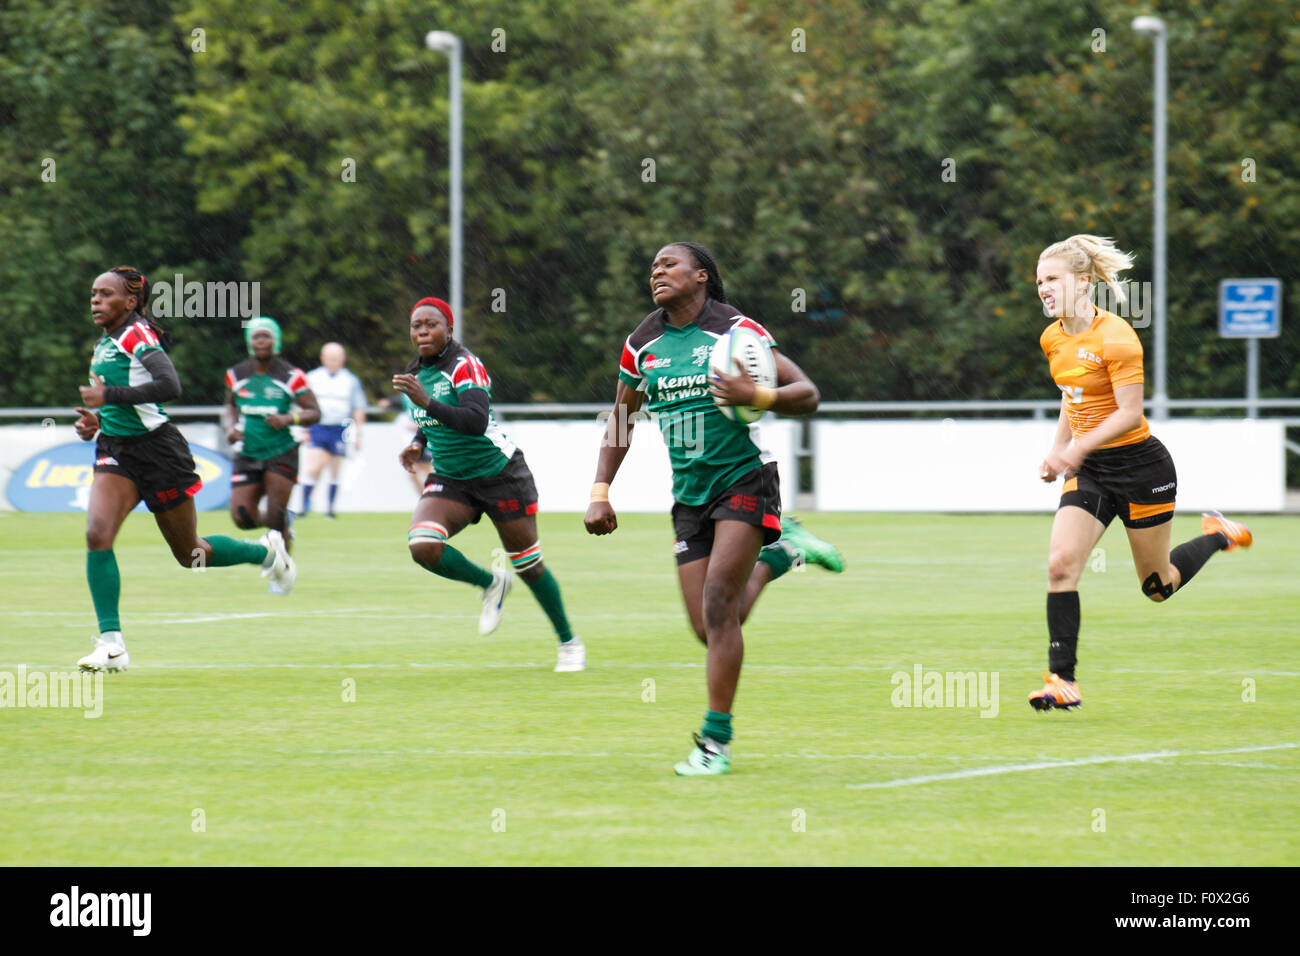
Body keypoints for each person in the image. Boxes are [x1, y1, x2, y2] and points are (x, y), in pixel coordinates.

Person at [584, 241, 841, 776]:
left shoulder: (735, 332)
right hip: (689, 494)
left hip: (744, 476)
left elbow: (808, 392)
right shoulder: (642, 342)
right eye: (652, 265)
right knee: (711, 624)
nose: (657, 271)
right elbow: (622, 418)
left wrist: (757, 394)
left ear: (700, 275)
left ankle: (715, 743)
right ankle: (783, 552)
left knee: (720, 602)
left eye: (669, 263)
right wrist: (600, 490)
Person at [1031, 235, 1253, 710]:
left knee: (1158, 587)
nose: (1043, 289)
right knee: (1060, 566)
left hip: (1141, 468)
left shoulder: (1117, 337)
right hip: (1091, 470)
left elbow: (1129, 413)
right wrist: (1058, 450)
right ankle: (1062, 681)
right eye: (1039, 282)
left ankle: (1219, 534)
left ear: (1083, 282)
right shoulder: (1053, 337)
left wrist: (1076, 448)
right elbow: (1073, 400)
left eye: (1052, 279)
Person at [73, 267, 295, 671]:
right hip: (117, 452)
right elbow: (120, 403)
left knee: (191, 553)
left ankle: (267, 553)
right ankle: (112, 645)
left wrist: (109, 394)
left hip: (159, 453)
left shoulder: (137, 335)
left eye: (106, 294)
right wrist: (96, 418)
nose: (96, 300)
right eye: (94, 294)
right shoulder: (105, 343)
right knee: (96, 533)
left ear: (131, 301)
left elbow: (169, 385)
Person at [393, 296, 584, 672]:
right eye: (417, 326)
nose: (423, 331)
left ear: (449, 329)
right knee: (423, 546)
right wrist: (418, 442)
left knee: (529, 566)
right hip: (452, 479)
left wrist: (426, 403)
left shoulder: (466, 366)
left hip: (501, 476)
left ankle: (568, 643)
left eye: (431, 324)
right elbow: (430, 420)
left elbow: (475, 420)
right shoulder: (417, 373)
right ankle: (491, 584)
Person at [224, 316, 320, 593]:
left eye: (266, 336)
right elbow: (230, 405)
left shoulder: (291, 375)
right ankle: (282, 523)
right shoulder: (236, 373)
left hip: (282, 451)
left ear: (275, 341)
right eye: (256, 337)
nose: (261, 341)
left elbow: (314, 412)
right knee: (241, 516)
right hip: (248, 451)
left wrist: (289, 418)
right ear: (249, 342)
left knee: (276, 516)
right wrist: (231, 427)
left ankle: (282, 573)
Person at [301, 342, 367, 518]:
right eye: (329, 359)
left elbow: (358, 408)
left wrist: (358, 432)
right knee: (314, 466)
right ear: (323, 359)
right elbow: (304, 404)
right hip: (318, 426)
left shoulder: (350, 380)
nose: (332, 362)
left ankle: (330, 509)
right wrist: (304, 429)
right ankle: (304, 504)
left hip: (340, 427)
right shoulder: (312, 377)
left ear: (343, 359)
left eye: (336, 359)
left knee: (335, 468)